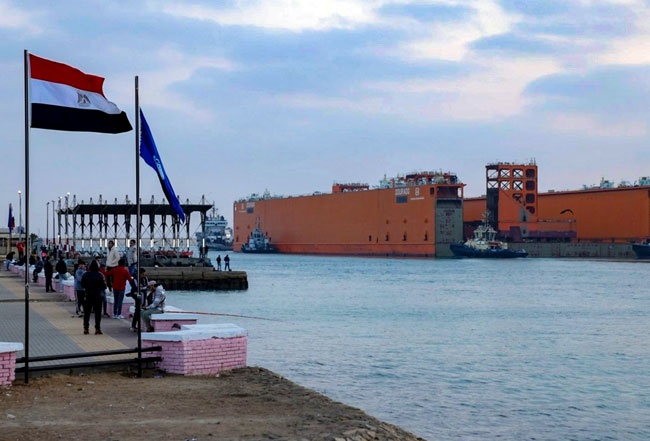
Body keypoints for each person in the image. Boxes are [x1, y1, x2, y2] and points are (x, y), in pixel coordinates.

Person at [81, 260, 107, 335]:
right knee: (98, 313)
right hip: (98, 296)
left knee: (87, 313)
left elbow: (82, 284)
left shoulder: (85, 274)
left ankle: (86, 328)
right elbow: (104, 286)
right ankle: (97, 328)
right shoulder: (100, 275)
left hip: (88, 295)